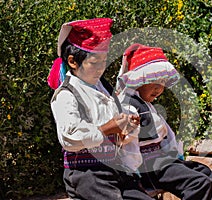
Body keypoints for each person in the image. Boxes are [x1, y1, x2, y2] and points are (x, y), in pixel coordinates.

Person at [48, 18, 155, 200]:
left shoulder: (101, 88)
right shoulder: (67, 94)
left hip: (114, 170)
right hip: (87, 175)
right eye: (94, 62)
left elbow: (114, 124)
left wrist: (125, 125)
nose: (100, 68)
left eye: (103, 61)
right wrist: (109, 128)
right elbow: (70, 137)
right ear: (73, 62)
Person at [116, 43, 212, 200]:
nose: (159, 89)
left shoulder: (145, 104)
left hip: (161, 161)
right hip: (148, 166)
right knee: (199, 183)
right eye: (154, 82)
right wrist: (133, 174)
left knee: (205, 172)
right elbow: (129, 144)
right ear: (139, 80)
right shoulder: (129, 105)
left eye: (162, 83)